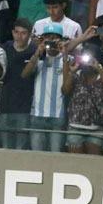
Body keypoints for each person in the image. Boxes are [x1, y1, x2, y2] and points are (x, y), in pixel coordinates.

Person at [23, 21, 68, 152]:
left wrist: (64, 54)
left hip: (58, 115)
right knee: (36, 157)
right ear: (43, 39)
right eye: (48, 37)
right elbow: (25, 74)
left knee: (55, 156)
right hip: (37, 114)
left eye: (55, 38)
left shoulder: (67, 59)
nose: (51, 41)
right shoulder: (38, 59)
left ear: (61, 40)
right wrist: (38, 52)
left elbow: (68, 88)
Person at [0, 18, 36, 149]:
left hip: (24, 108)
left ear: (30, 34)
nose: (19, 36)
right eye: (16, 32)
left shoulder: (35, 50)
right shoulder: (4, 48)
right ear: (12, 32)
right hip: (5, 106)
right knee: (5, 148)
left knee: (20, 150)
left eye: (23, 33)